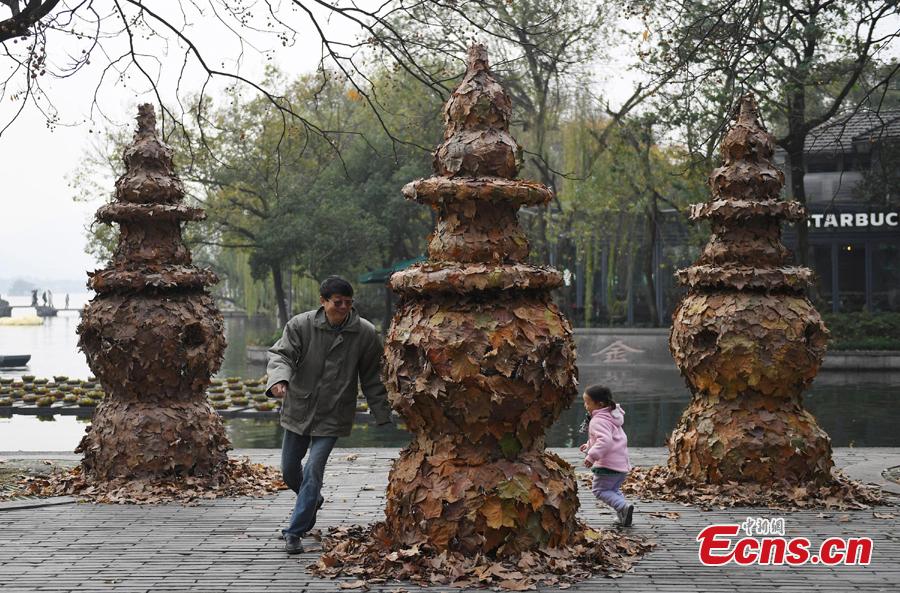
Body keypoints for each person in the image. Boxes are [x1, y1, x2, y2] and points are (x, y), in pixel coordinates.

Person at [265, 275, 393, 554]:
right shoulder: (300, 325)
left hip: (334, 413)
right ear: (323, 302)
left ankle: (294, 531)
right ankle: (312, 500)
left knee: (313, 469)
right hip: (299, 407)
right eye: (338, 303)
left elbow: (372, 377)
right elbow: (281, 355)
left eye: (349, 302)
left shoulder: (365, 333)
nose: (344, 308)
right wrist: (279, 380)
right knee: (289, 471)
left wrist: (382, 413)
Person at [580, 384, 634, 527]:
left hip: (608, 465)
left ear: (600, 404)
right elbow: (605, 437)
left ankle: (623, 507)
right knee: (612, 490)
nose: (585, 405)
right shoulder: (611, 415)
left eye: (587, 402)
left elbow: (605, 441)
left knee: (600, 490)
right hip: (620, 463)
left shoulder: (598, 420)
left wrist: (591, 456)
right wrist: (589, 445)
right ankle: (623, 514)